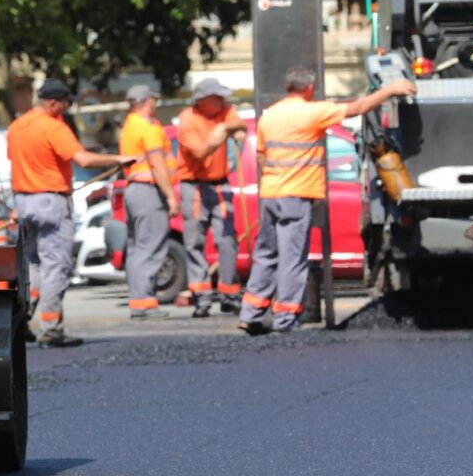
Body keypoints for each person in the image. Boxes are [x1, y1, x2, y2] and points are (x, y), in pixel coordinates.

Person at [239, 67, 415, 335]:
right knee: (292, 258)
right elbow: (359, 107)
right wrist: (391, 89)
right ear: (309, 88)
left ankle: (250, 313)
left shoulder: (270, 116)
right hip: (296, 194)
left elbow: (262, 157)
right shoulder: (313, 112)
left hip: (270, 193)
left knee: (266, 253)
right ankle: (285, 318)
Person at [8, 79, 140, 348]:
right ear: (54, 103)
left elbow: (17, 166)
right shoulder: (53, 127)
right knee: (57, 265)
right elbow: (83, 159)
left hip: (24, 202)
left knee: (32, 264)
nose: (67, 110)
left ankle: (21, 323)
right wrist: (118, 159)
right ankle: (51, 329)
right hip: (51, 202)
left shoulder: (17, 127)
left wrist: (16, 205)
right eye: (66, 104)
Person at [175, 78, 247, 317]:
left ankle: (229, 294)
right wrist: (225, 130)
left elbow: (239, 124)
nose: (223, 101)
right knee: (195, 242)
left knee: (227, 240)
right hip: (194, 187)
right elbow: (201, 150)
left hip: (220, 185)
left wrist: (233, 130)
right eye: (217, 97)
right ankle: (201, 296)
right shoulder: (187, 121)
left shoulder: (225, 110)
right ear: (203, 101)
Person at [118, 84, 180, 321]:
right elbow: (157, 164)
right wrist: (171, 196)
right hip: (149, 192)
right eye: (153, 99)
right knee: (151, 247)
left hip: (134, 191)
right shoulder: (149, 128)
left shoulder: (129, 126)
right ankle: (145, 303)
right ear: (146, 101)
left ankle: (139, 300)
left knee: (137, 248)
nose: (155, 104)